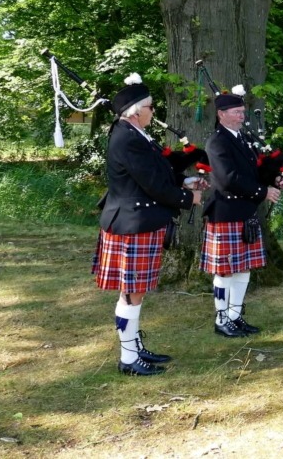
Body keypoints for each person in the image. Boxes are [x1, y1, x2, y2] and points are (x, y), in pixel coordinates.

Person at [92, 74, 203, 376]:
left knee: (134, 292)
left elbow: (158, 171)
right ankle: (128, 358)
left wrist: (186, 180)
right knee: (132, 293)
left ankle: (135, 348)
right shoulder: (128, 137)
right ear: (135, 110)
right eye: (151, 107)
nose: (154, 112)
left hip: (137, 221)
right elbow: (152, 184)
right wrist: (186, 198)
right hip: (132, 224)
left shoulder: (136, 134)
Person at [199, 86, 283, 337]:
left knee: (243, 268)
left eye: (242, 112)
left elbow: (254, 173)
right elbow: (228, 179)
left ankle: (235, 317)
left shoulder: (243, 140)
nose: (241, 117)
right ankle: (221, 319)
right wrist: (262, 193)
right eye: (236, 112)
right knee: (225, 270)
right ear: (221, 114)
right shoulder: (216, 141)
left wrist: (275, 180)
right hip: (226, 212)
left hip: (245, 212)